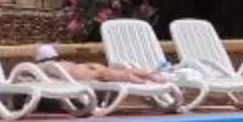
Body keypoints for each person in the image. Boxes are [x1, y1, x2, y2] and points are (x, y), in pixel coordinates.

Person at [33, 40, 168, 86]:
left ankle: (141, 82)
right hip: (84, 65)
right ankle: (151, 76)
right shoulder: (63, 62)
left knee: (117, 75)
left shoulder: (42, 67)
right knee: (115, 72)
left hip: (78, 73)